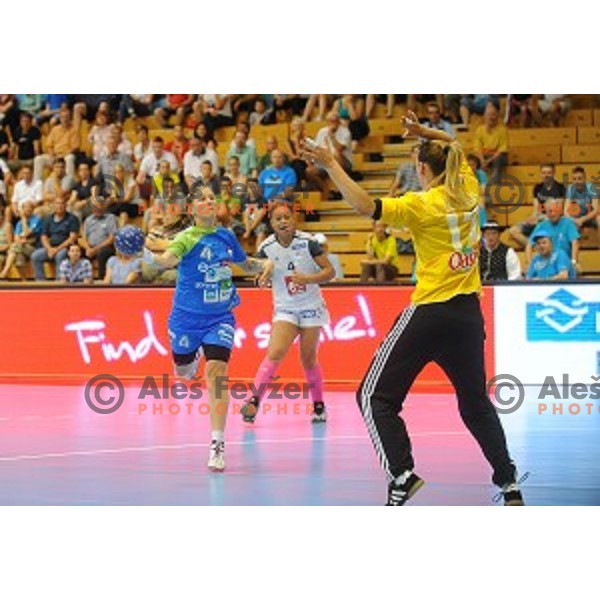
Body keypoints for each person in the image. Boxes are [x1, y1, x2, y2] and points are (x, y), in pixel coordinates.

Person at [302, 110, 523, 507]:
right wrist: (427, 132)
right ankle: (508, 483)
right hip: (469, 316)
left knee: (373, 397)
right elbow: (454, 146)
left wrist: (332, 163)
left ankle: (402, 474)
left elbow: (366, 206)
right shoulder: (470, 189)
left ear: (421, 169)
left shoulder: (422, 204)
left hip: (431, 312)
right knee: (475, 405)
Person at [142, 186, 269, 472]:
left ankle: (217, 442)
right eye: (202, 199)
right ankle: (188, 361)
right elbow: (166, 260)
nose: (209, 201)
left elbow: (245, 265)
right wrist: (149, 255)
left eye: (212, 197)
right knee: (184, 374)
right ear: (191, 209)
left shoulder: (226, 235)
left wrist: (266, 263)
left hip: (220, 317)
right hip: (185, 319)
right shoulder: (186, 238)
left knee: (217, 373)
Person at [240, 202, 335, 425]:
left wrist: (308, 279)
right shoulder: (266, 247)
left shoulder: (308, 243)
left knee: (308, 359)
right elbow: (258, 270)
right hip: (285, 308)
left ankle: (318, 405)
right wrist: (261, 278)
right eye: (278, 219)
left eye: (287, 217)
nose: (283, 221)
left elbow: (330, 271)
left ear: (294, 220)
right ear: (271, 224)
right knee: (275, 352)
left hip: (311, 307)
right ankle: (253, 401)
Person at [509, 164, 565, 249]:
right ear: (540, 174)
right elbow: (536, 208)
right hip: (539, 218)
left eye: (549, 173)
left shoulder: (560, 188)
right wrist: (532, 217)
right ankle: (536, 247)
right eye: (543, 173)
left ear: (554, 173)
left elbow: (558, 210)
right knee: (513, 231)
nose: (546, 175)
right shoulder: (537, 188)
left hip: (552, 219)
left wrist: (541, 218)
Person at [31, 197, 80, 281]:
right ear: (53, 205)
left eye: (62, 203)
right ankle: (40, 281)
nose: (59, 206)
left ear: (66, 205)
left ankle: (59, 282)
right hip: (50, 247)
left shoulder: (72, 218)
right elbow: (44, 236)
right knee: (35, 256)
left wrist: (57, 249)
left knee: (60, 255)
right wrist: (49, 249)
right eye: (57, 203)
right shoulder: (48, 218)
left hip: (65, 247)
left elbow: (72, 238)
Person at [526, 199, 579, 275]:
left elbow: (575, 243)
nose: (553, 214)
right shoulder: (541, 225)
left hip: (564, 262)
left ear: (560, 211)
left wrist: (574, 262)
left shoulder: (568, 223)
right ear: (546, 213)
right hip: (546, 263)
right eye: (550, 211)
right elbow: (529, 245)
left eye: (555, 211)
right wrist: (530, 264)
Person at [0, 201, 42, 281]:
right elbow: (16, 238)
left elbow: (26, 233)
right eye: (25, 208)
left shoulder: (37, 219)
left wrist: (23, 219)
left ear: (33, 209)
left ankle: (5, 271)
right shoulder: (19, 223)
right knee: (18, 258)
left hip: (34, 248)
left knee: (15, 246)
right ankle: (24, 280)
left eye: (29, 208)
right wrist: (21, 240)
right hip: (22, 247)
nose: (26, 210)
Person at [564, 166, 599, 233]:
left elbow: (595, 210)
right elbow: (565, 212)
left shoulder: (591, 187)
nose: (577, 181)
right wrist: (575, 220)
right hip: (575, 218)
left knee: (599, 219)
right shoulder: (570, 189)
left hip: (589, 217)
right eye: (574, 179)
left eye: (579, 179)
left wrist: (582, 219)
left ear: (584, 179)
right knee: (567, 222)